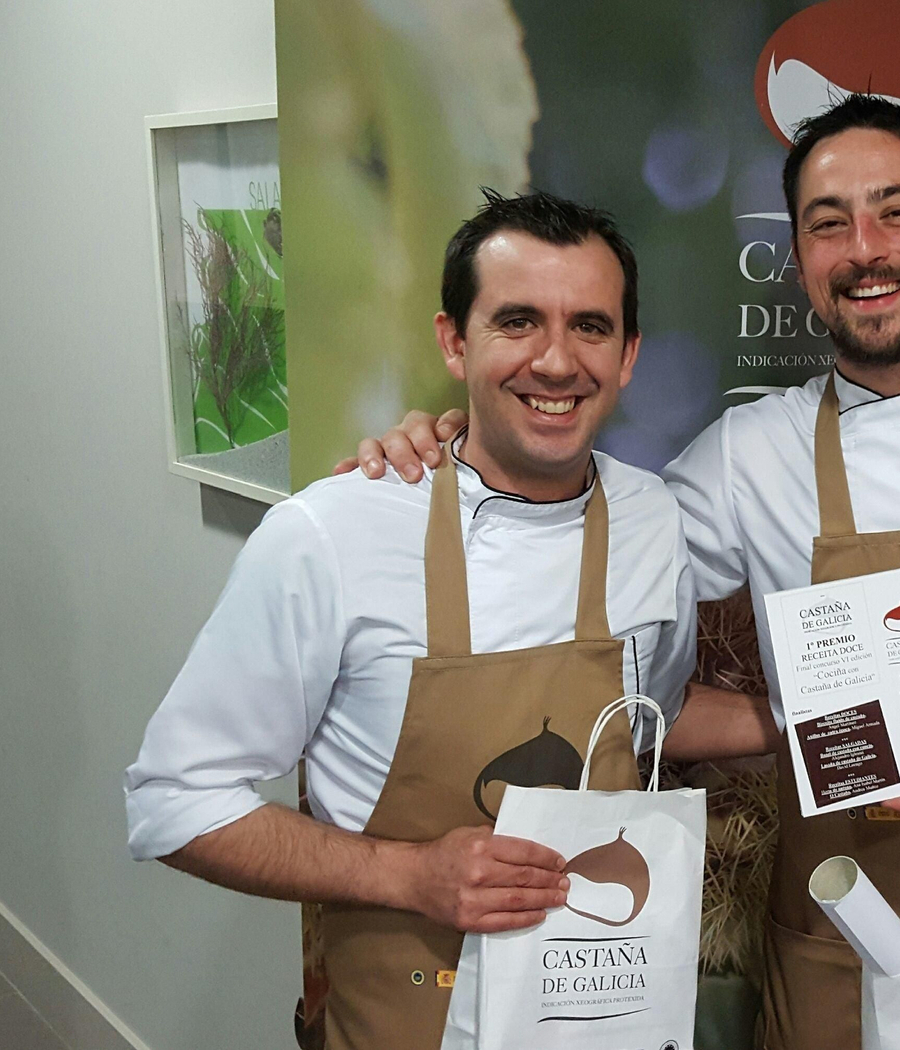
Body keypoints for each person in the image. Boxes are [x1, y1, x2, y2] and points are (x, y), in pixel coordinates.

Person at [347, 97, 900, 1050]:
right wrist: (456, 448)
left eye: (898, 211)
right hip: (837, 933)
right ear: (800, 260)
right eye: (827, 223)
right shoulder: (742, 459)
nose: (865, 248)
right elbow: (579, 569)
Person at [125, 190, 774, 1050]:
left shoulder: (653, 520)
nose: (555, 360)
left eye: (589, 326)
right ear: (453, 340)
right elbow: (172, 800)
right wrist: (410, 874)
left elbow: (653, 717)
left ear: (628, 356)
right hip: (406, 1017)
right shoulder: (330, 533)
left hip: (602, 1020)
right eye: (517, 321)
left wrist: (849, 722)